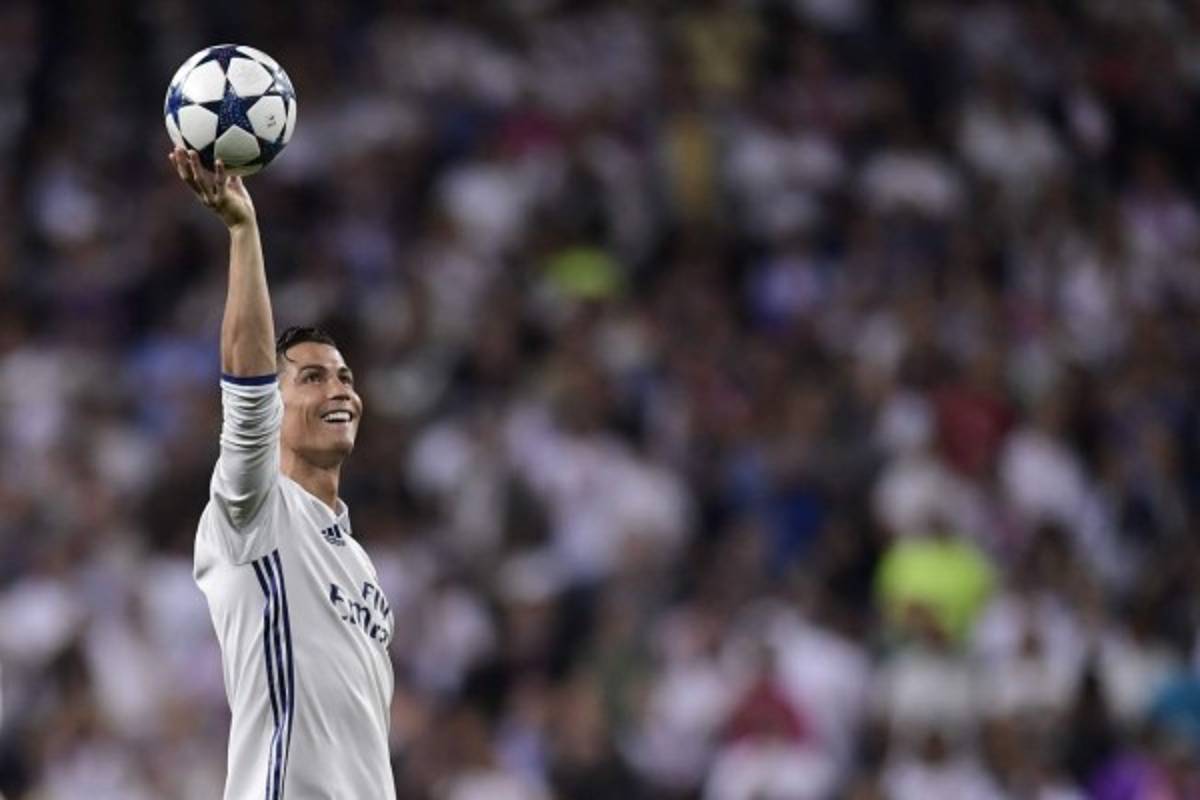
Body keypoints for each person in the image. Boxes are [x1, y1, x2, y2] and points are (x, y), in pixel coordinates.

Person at [169, 148, 396, 799]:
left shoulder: (358, 562)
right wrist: (244, 233)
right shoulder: (255, 514)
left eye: (347, 378)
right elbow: (244, 397)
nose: (341, 391)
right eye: (314, 377)